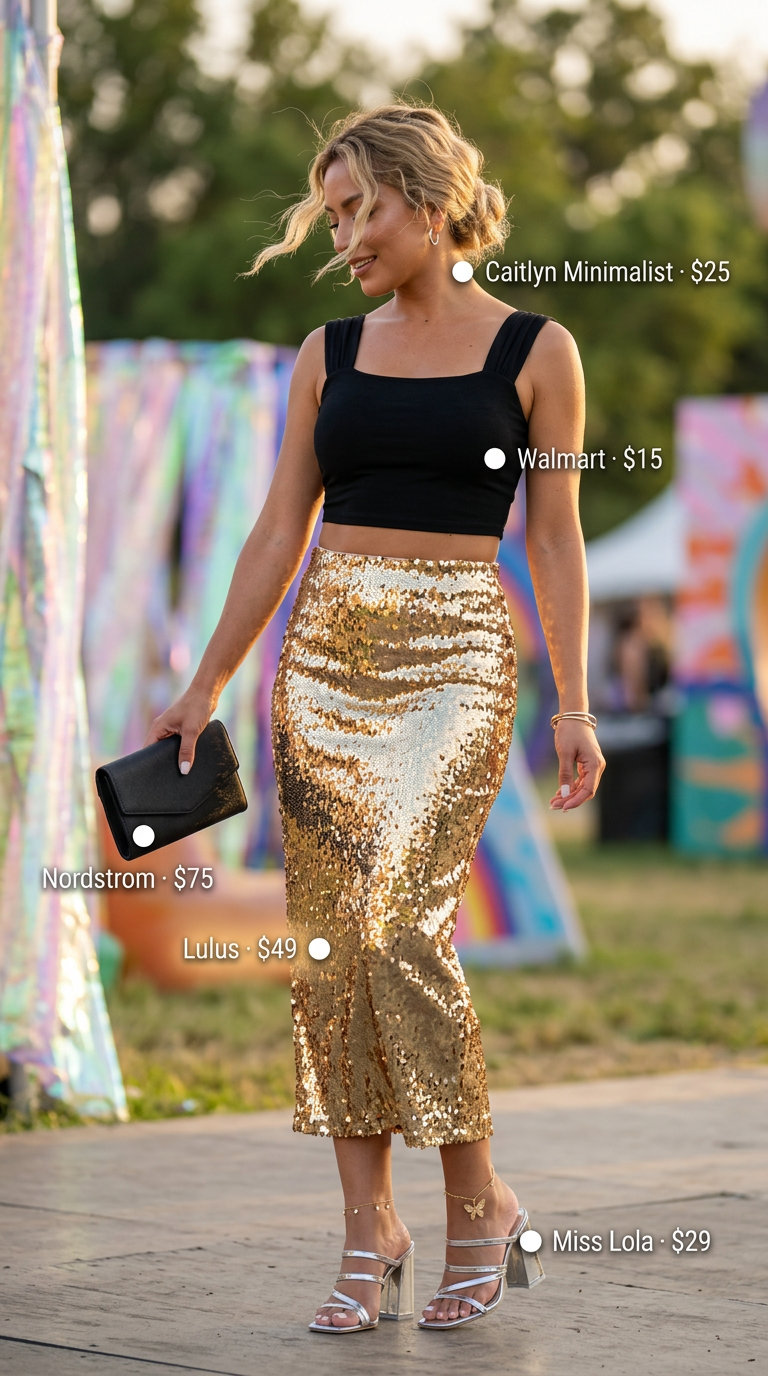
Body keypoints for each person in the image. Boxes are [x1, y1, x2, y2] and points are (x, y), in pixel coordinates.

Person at [144, 101, 605, 1334]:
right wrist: (206, 684)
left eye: (362, 208)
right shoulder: (327, 351)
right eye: (333, 213)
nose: (344, 234)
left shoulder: (538, 351)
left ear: (430, 198)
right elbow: (275, 530)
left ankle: (478, 1203)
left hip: (458, 650)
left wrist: (573, 697)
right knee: (332, 946)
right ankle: (369, 1227)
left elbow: (554, 537)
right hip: (324, 654)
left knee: (401, 928)